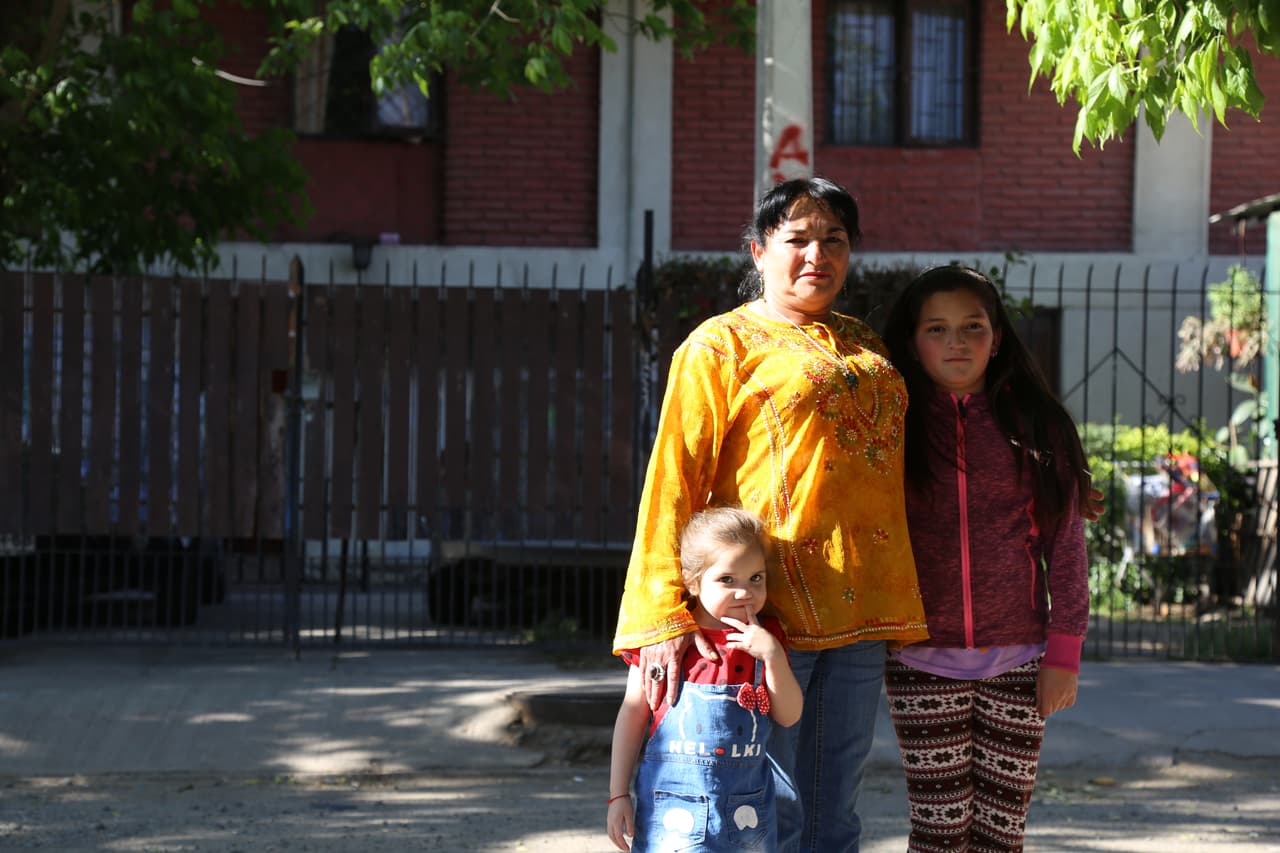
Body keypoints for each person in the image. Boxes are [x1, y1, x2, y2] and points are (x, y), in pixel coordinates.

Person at [612, 176, 929, 852]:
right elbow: (673, 480)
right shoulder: (719, 346)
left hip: (863, 612)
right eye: (799, 239)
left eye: (835, 240)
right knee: (764, 809)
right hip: (765, 612)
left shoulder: (867, 346)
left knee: (836, 811)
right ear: (759, 251)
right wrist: (662, 613)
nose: (818, 254)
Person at [879, 264, 1092, 852]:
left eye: (972, 326)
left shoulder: (1037, 426)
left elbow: (1066, 547)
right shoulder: (890, 428)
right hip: (920, 659)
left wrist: (1065, 654)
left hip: (1020, 661)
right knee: (940, 831)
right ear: (912, 342)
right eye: (937, 329)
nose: (957, 342)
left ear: (996, 338)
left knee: (1001, 833)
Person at [606, 506, 804, 852]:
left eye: (755, 578)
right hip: (674, 814)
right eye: (727, 579)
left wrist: (772, 656)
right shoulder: (663, 642)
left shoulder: (768, 637)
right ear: (693, 582)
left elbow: (789, 715)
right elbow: (633, 712)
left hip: (746, 813)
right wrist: (617, 794)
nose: (744, 592)